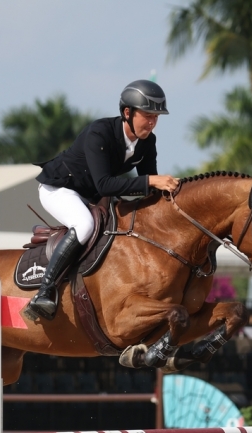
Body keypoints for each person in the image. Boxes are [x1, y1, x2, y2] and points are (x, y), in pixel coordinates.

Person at [24, 79, 181, 321]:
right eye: (147, 115)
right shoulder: (100, 133)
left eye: (156, 116)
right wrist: (152, 181)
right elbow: (107, 184)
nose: (152, 122)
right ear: (127, 113)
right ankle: (45, 291)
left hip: (91, 195)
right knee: (84, 225)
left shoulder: (148, 142)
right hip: (59, 188)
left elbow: (149, 188)